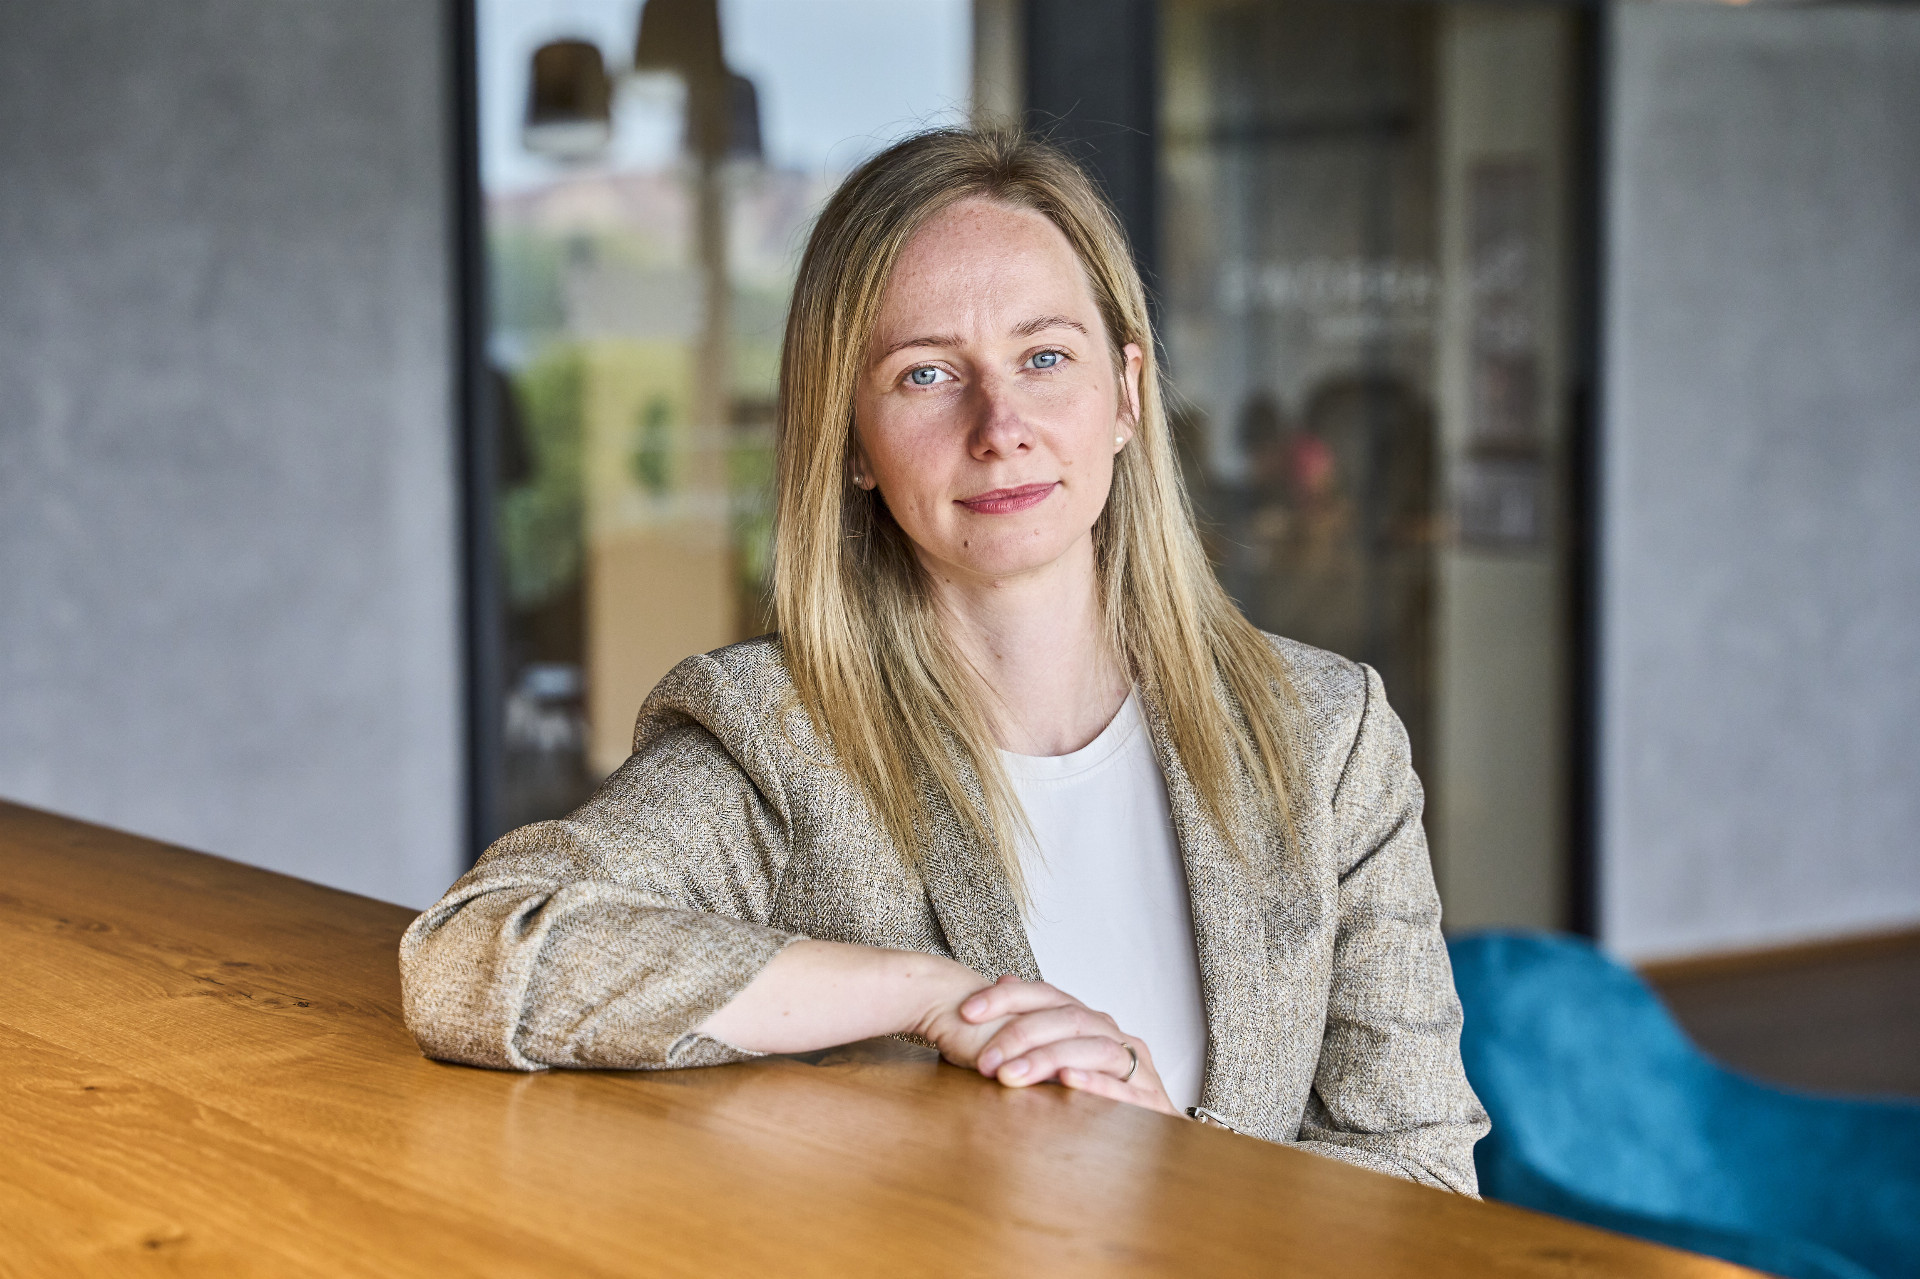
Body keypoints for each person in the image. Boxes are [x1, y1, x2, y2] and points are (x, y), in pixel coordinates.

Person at [400, 127, 1488, 1193]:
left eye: (1044, 357)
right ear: (852, 442)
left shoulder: (1325, 733)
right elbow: (473, 957)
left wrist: (1183, 1174)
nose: (999, 424)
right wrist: (929, 996)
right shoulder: (776, 737)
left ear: (1126, 394)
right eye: (925, 374)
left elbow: (1424, 1184)